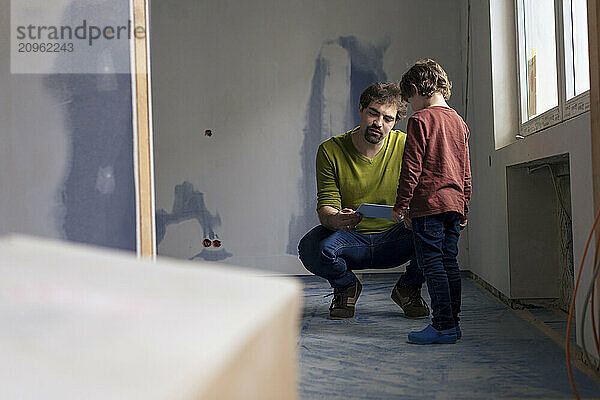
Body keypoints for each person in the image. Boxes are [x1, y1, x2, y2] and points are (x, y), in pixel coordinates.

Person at [298, 82, 429, 320]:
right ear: (361, 109)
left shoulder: (407, 145)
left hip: (397, 236)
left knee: (437, 231)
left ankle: (408, 288)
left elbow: (423, 195)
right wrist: (337, 219)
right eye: (373, 113)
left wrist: (414, 215)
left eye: (388, 119)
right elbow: (325, 205)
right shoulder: (330, 150)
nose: (379, 124)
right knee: (311, 247)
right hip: (351, 238)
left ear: (395, 122)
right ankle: (346, 286)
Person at [392, 59, 472, 344]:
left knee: (432, 264)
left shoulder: (420, 120)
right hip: (454, 204)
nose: (410, 106)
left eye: (409, 99)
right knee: (450, 262)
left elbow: (412, 167)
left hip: (429, 205)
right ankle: (453, 324)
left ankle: (441, 325)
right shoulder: (459, 122)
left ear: (415, 89)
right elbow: (465, 170)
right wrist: (465, 205)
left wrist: (401, 206)